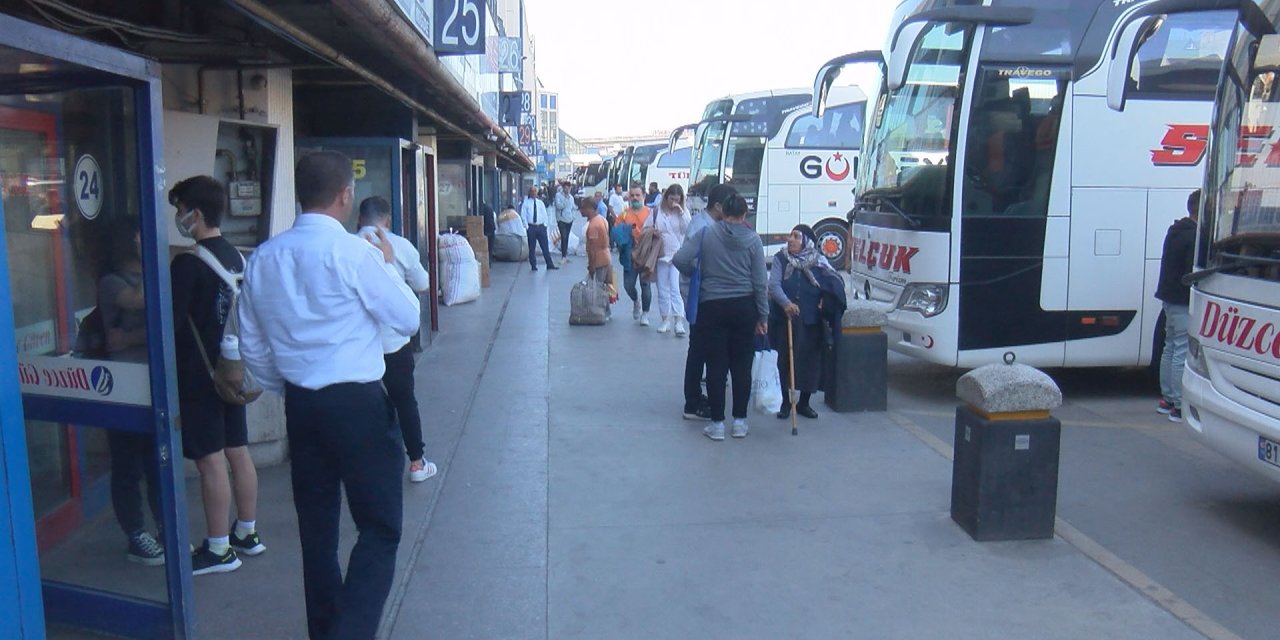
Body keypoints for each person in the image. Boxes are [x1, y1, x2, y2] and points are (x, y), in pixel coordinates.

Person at [238, 151, 420, 640]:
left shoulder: (262, 258)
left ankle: (325, 629)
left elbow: (251, 346)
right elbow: (407, 317)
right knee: (379, 526)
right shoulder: (354, 254)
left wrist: (289, 385)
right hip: (358, 403)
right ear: (345, 195)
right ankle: (351, 632)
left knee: (316, 532)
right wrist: (388, 267)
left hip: (302, 404)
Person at [169, 176, 264, 576]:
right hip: (234, 371)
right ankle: (246, 532)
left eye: (180, 210)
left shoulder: (188, 264)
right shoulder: (238, 258)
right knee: (237, 450)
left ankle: (219, 549)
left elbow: (170, 323)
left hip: (199, 376)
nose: (178, 217)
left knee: (210, 461)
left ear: (196, 213)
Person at [674, 186, 768, 441]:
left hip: (711, 306)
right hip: (744, 307)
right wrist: (763, 316)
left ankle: (716, 424)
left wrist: (698, 270)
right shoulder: (753, 240)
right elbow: (760, 282)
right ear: (745, 214)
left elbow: (679, 259)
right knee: (741, 365)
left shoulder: (706, 235)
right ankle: (739, 421)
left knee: (715, 365)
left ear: (723, 211)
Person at [357, 197, 437, 483]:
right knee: (404, 400)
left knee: (361, 406)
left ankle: (364, 464)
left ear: (358, 218)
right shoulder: (400, 246)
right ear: (387, 220)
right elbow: (424, 285)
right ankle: (416, 462)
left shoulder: (345, 246)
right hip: (394, 344)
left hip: (357, 349)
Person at [97, 224, 163, 566]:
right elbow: (143, 301)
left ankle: (166, 527)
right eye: (138, 234)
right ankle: (135, 532)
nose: (144, 238)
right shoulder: (112, 282)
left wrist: (132, 336)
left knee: (157, 461)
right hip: (121, 382)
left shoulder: (150, 273)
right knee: (127, 463)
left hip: (154, 379)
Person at [769, 224, 845, 420]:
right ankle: (785, 403)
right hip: (785, 318)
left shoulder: (819, 262)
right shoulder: (781, 259)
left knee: (810, 362)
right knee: (784, 361)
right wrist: (786, 303)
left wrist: (825, 299)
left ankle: (804, 403)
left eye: (796, 236)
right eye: (790, 235)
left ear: (807, 241)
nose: (791, 239)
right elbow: (774, 285)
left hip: (811, 320)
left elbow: (836, 282)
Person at [679, 184, 732, 421]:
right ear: (718, 206)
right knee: (699, 348)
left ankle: (695, 397)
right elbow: (683, 260)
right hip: (699, 296)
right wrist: (702, 274)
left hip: (704, 295)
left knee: (700, 347)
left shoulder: (710, 224)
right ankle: (692, 401)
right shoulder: (702, 227)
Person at [1155, 189, 1199, 423]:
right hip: (1182, 300)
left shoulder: (1175, 231)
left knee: (1170, 346)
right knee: (1180, 350)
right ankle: (1179, 405)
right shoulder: (1193, 236)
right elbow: (1192, 272)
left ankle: (1167, 399)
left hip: (1168, 298)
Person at [650, 183, 691, 336]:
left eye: (677, 199)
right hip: (661, 255)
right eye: (671, 199)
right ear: (666, 197)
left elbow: (688, 229)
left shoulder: (683, 212)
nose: (673, 202)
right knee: (662, 289)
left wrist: (681, 212)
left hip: (677, 255)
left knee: (676, 288)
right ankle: (665, 319)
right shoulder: (657, 211)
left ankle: (679, 321)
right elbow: (648, 227)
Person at [615, 185, 653, 325]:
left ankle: (645, 314)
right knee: (628, 285)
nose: (635, 198)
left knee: (645, 285)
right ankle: (636, 300)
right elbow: (616, 232)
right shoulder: (624, 215)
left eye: (638, 195)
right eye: (632, 195)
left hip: (645, 255)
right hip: (629, 256)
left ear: (644, 195)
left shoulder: (650, 213)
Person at [521, 186, 558, 271]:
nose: (534, 193)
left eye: (535, 191)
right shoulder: (526, 203)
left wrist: (545, 225)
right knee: (532, 247)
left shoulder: (540, 203)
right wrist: (527, 227)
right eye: (532, 191)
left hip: (541, 227)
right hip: (531, 227)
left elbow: (544, 214)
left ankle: (549, 264)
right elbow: (524, 216)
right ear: (529, 192)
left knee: (545, 246)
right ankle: (533, 265)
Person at [554, 182, 576, 261]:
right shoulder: (558, 196)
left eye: (569, 188)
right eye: (566, 188)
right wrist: (565, 199)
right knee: (563, 236)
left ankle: (565, 255)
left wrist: (573, 217)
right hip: (561, 219)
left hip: (569, 219)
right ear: (563, 188)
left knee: (567, 237)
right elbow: (559, 206)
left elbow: (573, 208)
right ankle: (563, 256)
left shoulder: (571, 197)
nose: (568, 190)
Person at [607, 184, 626, 249]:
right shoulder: (613, 197)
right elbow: (610, 207)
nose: (620, 190)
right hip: (614, 217)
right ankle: (611, 245)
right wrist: (614, 216)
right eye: (619, 189)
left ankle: (619, 245)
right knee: (613, 232)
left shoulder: (620, 197)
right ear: (615, 190)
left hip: (621, 218)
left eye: (621, 189)